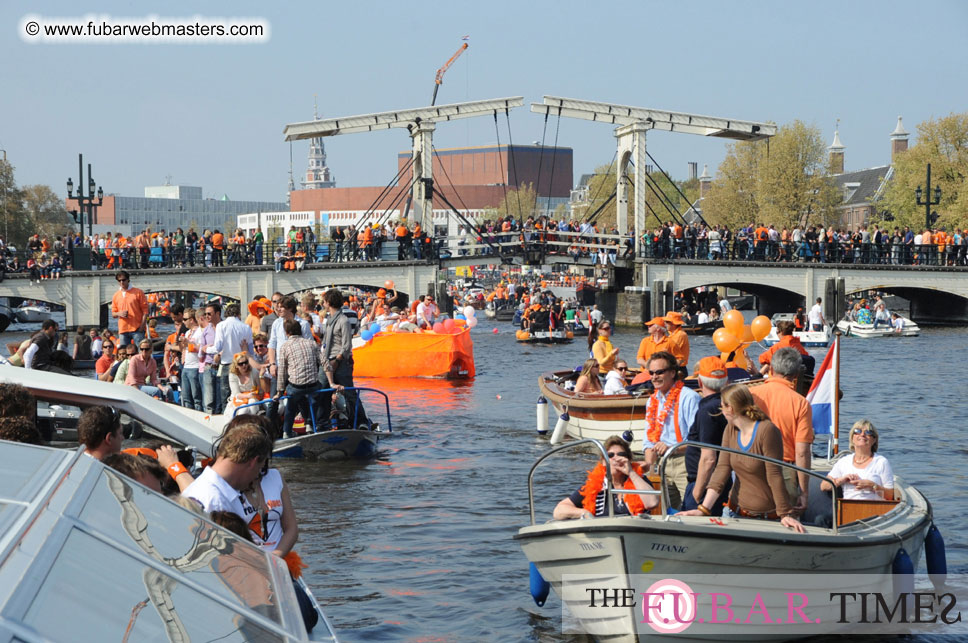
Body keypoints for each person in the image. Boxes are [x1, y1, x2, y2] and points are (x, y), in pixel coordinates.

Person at [681, 384, 805, 532]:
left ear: (730, 408)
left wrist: (785, 514)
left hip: (766, 518)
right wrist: (703, 509)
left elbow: (774, 474)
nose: (721, 412)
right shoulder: (730, 429)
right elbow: (722, 469)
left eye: (722, 407)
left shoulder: (767, 430)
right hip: (733, 512)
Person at [750, 347, 814, 514]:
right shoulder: (800, 403)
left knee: (748, 517)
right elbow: (802, 452)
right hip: (783, 468)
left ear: (770, 369)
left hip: (751, 465)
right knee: (786, 519)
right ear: (796, 374)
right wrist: (804, 491)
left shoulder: (751, 395)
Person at [641, 351, 700, 509]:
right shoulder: (652, 401)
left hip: (685, 462)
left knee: (691, 508)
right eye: (651, 373)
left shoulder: (689, 397)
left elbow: (698, 441)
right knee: (665, 511)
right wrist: (649, 464)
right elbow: (648, 439)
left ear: (673, 373)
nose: (654, 377)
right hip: (662, 464)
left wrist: (672, 448)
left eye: (659, 372)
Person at [553, 436, 658, 519]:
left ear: (629, 459)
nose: (616, 458)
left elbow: (652, 503)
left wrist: (631, 473)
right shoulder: (595, 485)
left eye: (621, 454)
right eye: (610, 455)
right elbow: (559, 511)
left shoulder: (640, 480)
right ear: (603, 462)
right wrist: (584, 513)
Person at [681, 357, 731, 516]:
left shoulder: (708, 410)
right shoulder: (726, 405)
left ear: (700, 382)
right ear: (726, 382)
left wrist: (697, 492)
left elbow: (709, 458)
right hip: (718, 482)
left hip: (705, 484)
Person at [319, 288, 369, 429]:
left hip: (340, 361)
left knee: (349, 393)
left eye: (324, 301)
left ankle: (361, 421)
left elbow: (346, 345)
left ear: (329, 302)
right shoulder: (329, 320)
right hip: (327, 360)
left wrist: (337, 360)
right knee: (321, 391)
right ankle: (322, 423)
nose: (323, 304)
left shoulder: (343, 320)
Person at [821, 420, 893, 501]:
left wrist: (872, 486)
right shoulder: (844, 462)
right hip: (848, 507)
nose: (862, 434)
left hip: (874, 507)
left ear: (874, 440)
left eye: (868, 432)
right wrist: (841, 480)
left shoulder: (881, 462)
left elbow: (890, 495)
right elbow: (824, 486)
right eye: (857, 431)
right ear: (852, 438)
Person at [274, 319, 321, 438]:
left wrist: (279, 391)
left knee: (292, 400)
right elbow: (324, 363)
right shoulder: (312, 343)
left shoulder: (285, 347)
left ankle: (286, 432)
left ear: (287, 333)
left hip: (296, 387)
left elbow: (282, 371)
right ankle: (310, 423)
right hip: (313, 385)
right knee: (312, 392)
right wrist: (331, 382)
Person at [205, 302, 254, 414]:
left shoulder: (221, 326)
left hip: (227, 364)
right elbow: (250, 350)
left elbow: (218, 347)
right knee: (242, 394)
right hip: (242, 364)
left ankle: (226, 415)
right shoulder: (246, 327)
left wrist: (206, 349)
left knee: (226, 396)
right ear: (238, 314)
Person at [111, 270, 149, 349]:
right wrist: (119, 313)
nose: (122, 282)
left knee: (141, 350)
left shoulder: (138, 292)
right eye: (119, 280)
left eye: (123, 280)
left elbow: (145, 310)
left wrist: (142, 326)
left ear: (128, 280)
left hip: (137, 328)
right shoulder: (116, 295)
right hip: (123, 329)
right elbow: (113, 313)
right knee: (124, 352)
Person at [227, 351, 265, 416]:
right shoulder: (233, 375)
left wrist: (256, 394)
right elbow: (236, 394)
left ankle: (253, 418)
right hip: (239, 399)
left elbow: (261, 390)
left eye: (246, 362)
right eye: (241, 364)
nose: (244, 365)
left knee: (252, 402)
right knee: (243, 409)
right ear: (236, 365)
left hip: (253, 398)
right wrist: (247, 396)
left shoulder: (254, 372)